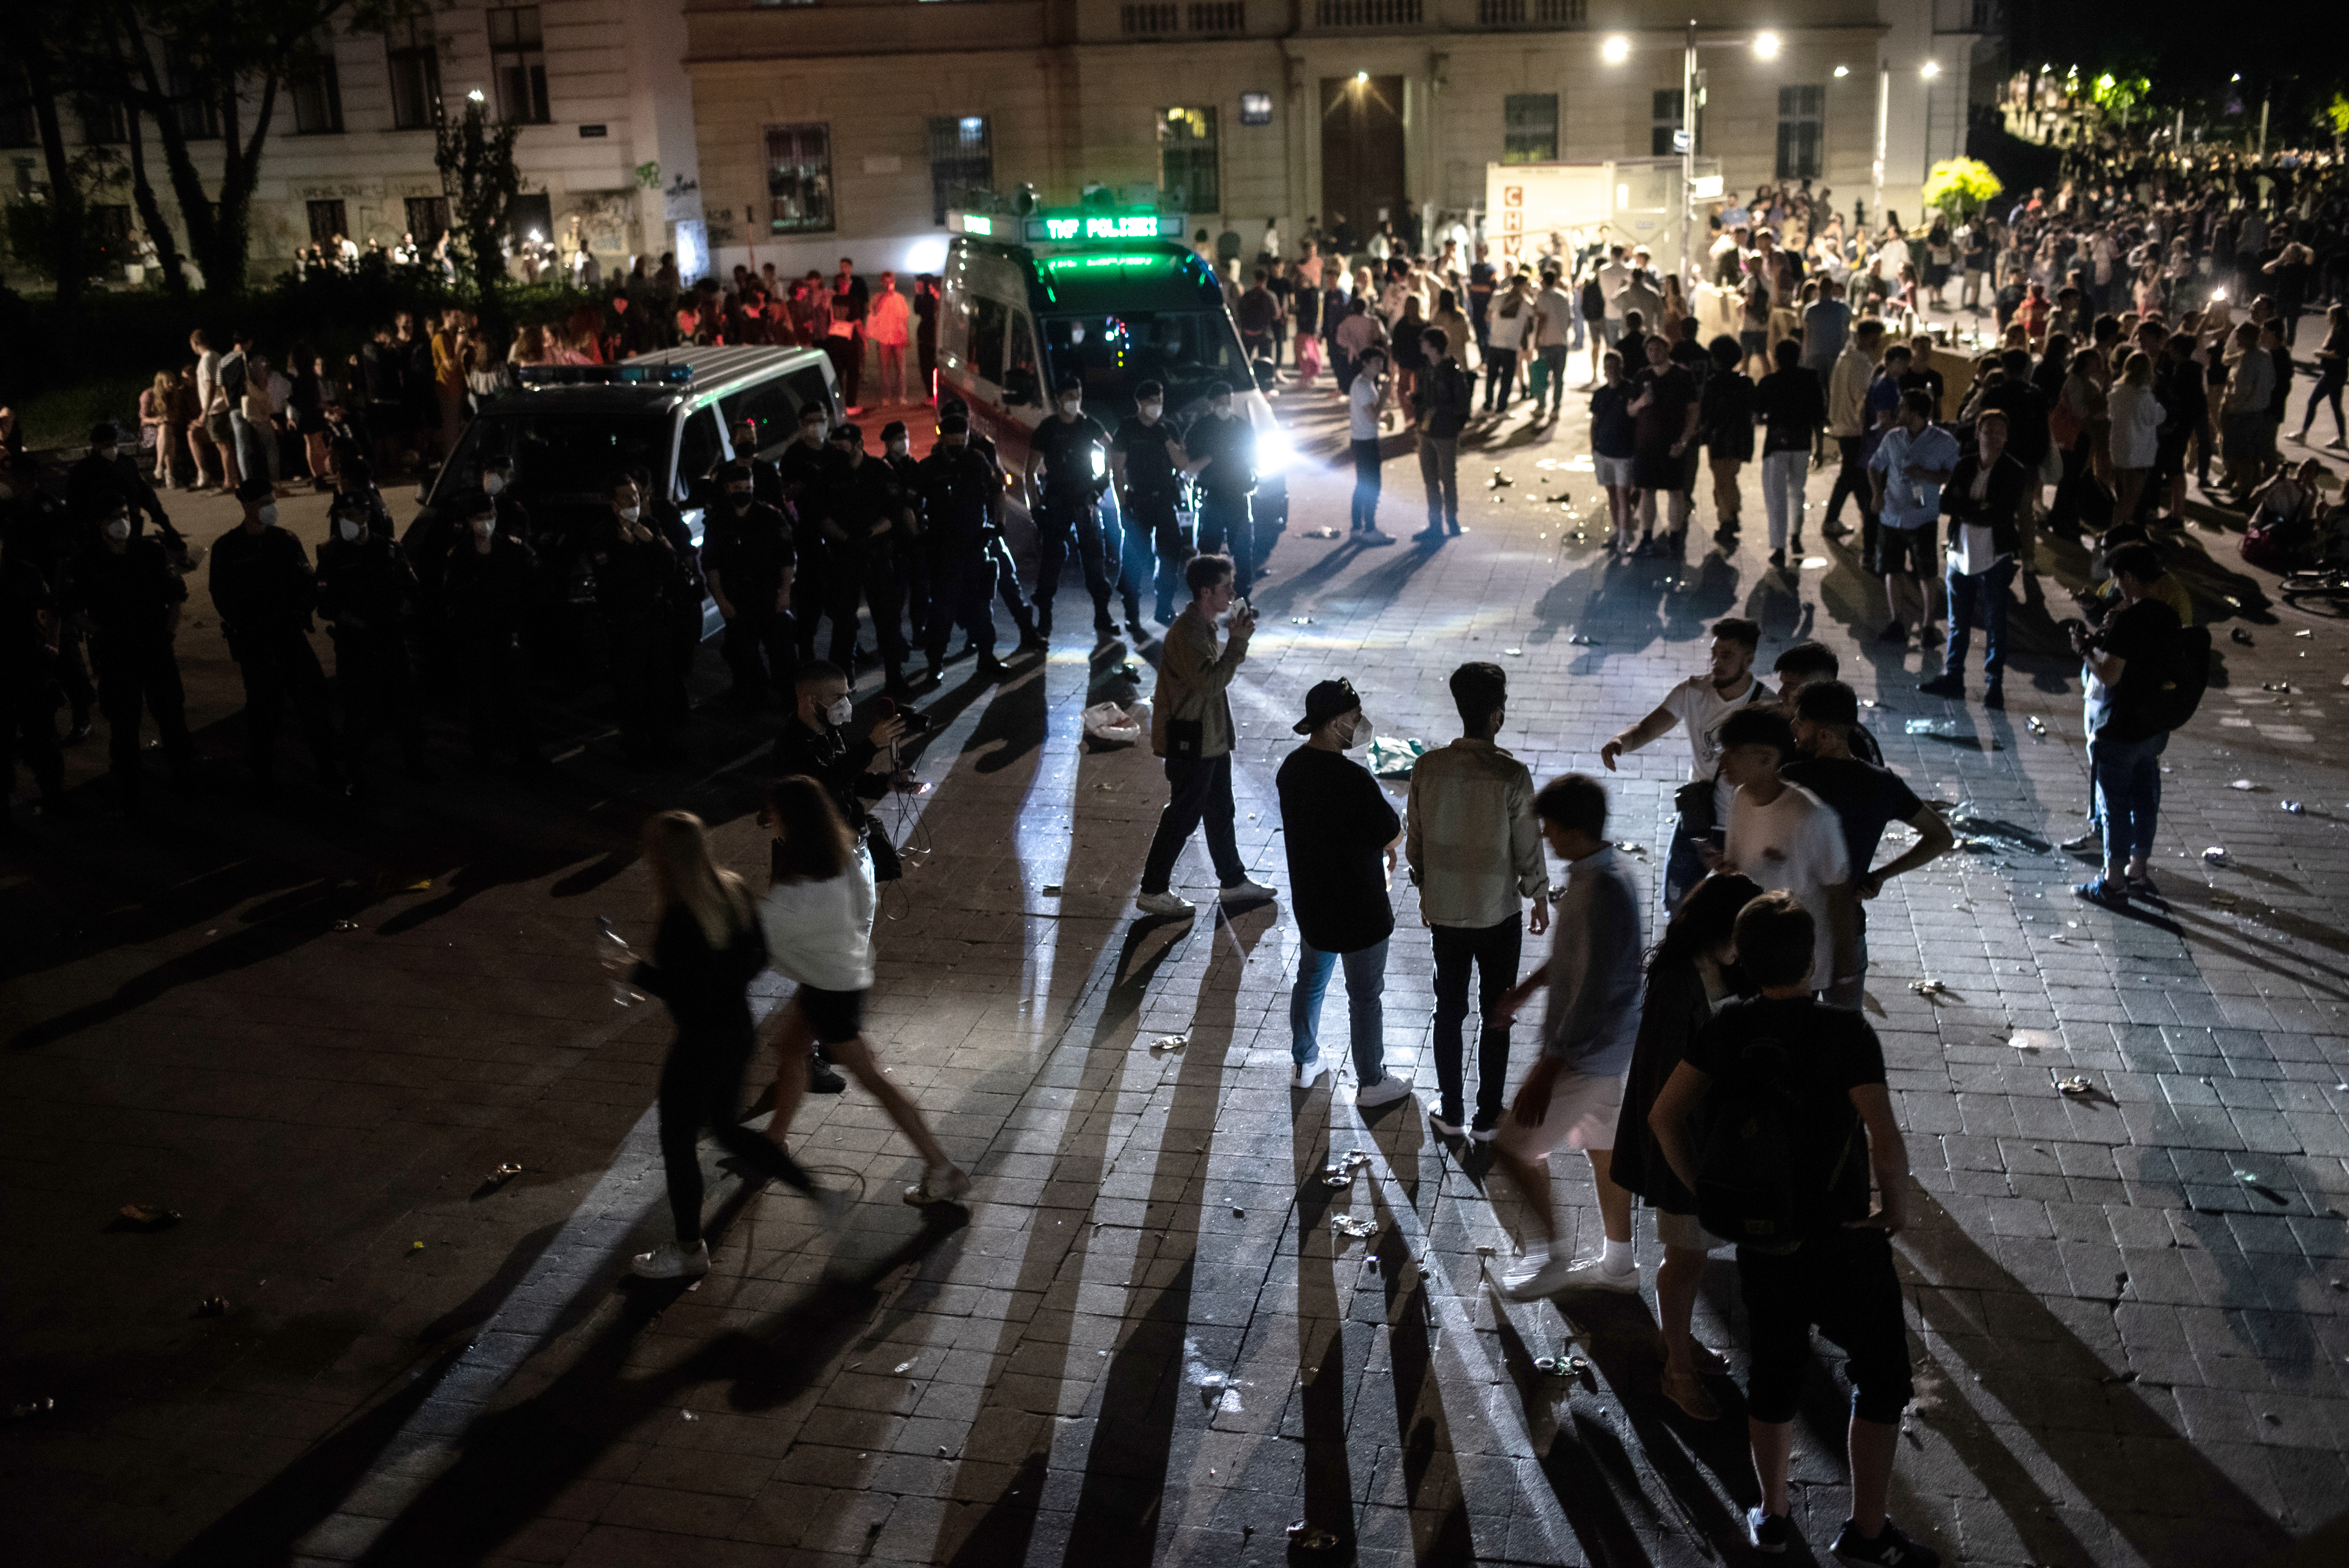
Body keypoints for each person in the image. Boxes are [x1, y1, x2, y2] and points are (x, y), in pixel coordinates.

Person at [1648, 892, 1938, 1567]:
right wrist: (1892, 1208)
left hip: (1763, 1239)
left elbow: (1665, 1117)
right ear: (1812, 958)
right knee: (1881, 1377)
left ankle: (1772, 1517)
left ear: (1744, 961)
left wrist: (1704, 1191)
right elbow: (1884, 1137)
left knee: (1773, 1376)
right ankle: (1868, 1532)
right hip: (1842, 1238)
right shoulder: (1846, 1033)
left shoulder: (1727, 1026)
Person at [620, 811, 825, 1280]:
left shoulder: (678, 916)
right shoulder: (732, 889)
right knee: (727, 1127)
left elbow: (687, 991)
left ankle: (689, 1248)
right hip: (736, 1029)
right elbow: (756, 956)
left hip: (699, 1042)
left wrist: (635, 971)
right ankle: (812, 1187)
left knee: (677, 1141)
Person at [755, 776, 973, 1207]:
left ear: (792, 818)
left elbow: (764, 934)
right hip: (839, 977)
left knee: (874, 1078)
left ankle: (941, 1165)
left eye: (775, 814)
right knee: (790, 1048)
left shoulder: (802, 885)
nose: (770, 822)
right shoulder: (846, 856)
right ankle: (774, 1139)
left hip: (829, 989)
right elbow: (860, 911)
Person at [1602, 872, 1764, 1421]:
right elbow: (1667, 1093)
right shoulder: (1680, 983)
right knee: (1686, 1254)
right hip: (1685, 1145)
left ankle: (1676, 1344)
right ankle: (1677, 1370)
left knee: (1692, 1253)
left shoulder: (1727, 969)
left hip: (1716, 1141)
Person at [1488, 774, 1643, 1299]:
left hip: (1587, 1051)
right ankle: (1619, 1264)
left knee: (1513, 1145)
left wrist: (1545, 1069)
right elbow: (1576, 956)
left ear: (1574, 828)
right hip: (1610, 1047)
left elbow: (1593, 989)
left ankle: (1551, 1258)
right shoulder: (1601, 871)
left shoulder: (1602, 888)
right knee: (1603, 1148)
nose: (1545, 836)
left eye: (1550, 827)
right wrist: (1527, 989)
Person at [1405, 661, 1548, 1140]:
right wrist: (1539, 896)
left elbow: (1416, 841)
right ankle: (1489, 1114)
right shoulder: (1511, 774)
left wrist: (1425, 885)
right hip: (1497, 913)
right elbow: (1527, 845)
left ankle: (1450, 1108)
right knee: (1497, 1009)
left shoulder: (1428, 767)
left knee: (1449, 1008)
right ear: (1498, 715)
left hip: (1445, 911)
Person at [1278, 678, 1412, 1104]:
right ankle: (1371, 1081)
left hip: (1314, 903)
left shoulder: (1291, 770)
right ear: (1335, 722)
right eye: (1354, 718)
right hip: (1360, 908)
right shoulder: (1353, 779)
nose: (1361, 724)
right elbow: (1392, 834)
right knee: (1365, 995)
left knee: (1311, 980)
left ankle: (1304, 1061)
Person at [1784, 680, 1956, 1006]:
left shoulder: (1792, 779)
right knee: (1844, 1035)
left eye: (1801, 721)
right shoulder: (1883, 784)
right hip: (1847, 929)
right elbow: (1941, 837)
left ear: (1824, 734)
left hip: (1792, 925)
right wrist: (1880, 876)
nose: (1793, 727)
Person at [1137, 554, 1273, 916]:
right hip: (1191, 740)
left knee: (1219, 809)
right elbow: (1209, 683)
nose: (1234, 593)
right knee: (1183, 814)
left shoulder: (1205, 626)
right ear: (1206, 591)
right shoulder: (1188, 633)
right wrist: (1238, 644)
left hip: (1209, 739)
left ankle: (1233, 881)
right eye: (1227, 587)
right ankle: (1153, 889)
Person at [1600, 617, 1765, 911]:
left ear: (1749, 660)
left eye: (1726, 655)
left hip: (1743, 822)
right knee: (1678, 902)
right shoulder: (1692, 692)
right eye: (1714, 653)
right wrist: (1620, 743)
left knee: (1739, 912)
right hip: (1698, 815)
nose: (1716, 662)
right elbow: (1649, 727)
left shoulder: (1767, 707)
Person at [1713, 704, 1852, 1001]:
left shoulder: (1813, 817)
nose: (1722, 760)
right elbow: (1739, 866)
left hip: (1797, 967)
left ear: (1766, 757)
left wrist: (1845, 968)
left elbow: (1840, 895)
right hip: (1753, 955)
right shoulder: (1740, 798)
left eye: (1734, 752)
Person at [209, 477, 340, 790]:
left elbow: (307, 582)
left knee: (314, 702)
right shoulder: (227, 548)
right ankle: (260, 771)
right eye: (265, 504)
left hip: (290, 635)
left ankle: (329, 768)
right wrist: (248, 625)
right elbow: (221, 595)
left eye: (272, 503)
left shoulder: (285, 540)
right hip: (255, 642)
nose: (271, 509)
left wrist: (300, 611)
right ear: (247, 506)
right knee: (264, 709)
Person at [2072, 541, 2183, 908]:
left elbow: (2110, 674)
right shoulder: (2169, 617)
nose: (2116, 586)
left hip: (2120, 725)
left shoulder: (2131, 621)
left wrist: (2086, 650)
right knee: (2145, 799)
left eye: (2118, 579)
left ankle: (2113, 882)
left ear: (2131, 577)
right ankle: (2138, 872)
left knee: (2115, 806)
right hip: (2154, 726)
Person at [66, 502, 193, 803]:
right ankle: (130, 786)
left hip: (154, 646)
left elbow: (175, 594)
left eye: (125, 516)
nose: (122, 522)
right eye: (114, 517)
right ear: (100, 523)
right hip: (117, 652)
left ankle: (185, 778)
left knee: (171, 714)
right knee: (124, 722)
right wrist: (101, 634)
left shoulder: (150, 552)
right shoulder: (87, 561)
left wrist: (169, 632)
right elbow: (71, 609)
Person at [1916, 408, 2029, 708]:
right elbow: (1945, 503)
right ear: (1978, 433)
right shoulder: (1966, 466)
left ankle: (1994, 685)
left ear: (2006, 438)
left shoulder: (2014, 471)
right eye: (1987, 429)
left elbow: (2003, 513)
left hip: (1995, 557)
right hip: (1959, 553)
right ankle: (1954, 678)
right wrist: (1978, 509)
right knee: (1958, 622)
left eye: (1999, 431)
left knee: (1996, 623)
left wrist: (1969, 509)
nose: (1992, 436)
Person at [314, 492, 425, 789]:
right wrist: (361, 625)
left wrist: (401, 613)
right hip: (356, 645)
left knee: (406, 706)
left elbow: (411, 589)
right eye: (340, 516)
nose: (344, 522)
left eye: (350, 515)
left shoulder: (389, 549)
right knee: (357, 713)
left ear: (366, 516)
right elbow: (326, 606)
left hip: (391, 640)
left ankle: (416, 764)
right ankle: (355, 773)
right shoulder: (330, 555)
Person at [440, 486, 540, 770]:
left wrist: (519, 621)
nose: (486, 522)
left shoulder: (512, 548)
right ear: (470, 521)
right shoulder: (459, 556)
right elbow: (451, 597)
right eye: (480, 518)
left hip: (506, 635)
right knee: (480, 700)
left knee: (518, 697)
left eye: (490, 516)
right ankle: (484, 755)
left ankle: (528, 753)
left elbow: (533, 585)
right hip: (475, 639)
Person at [773, 660, 907, 866]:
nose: (846, 704)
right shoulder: (791, 745)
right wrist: (871, 746)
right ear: (811, 701)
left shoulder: (832, 731)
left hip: (855, 845)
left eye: (847, 695)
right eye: (838, 697)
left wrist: (886, 783)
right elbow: (823, 788)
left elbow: (848, 780)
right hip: (824, 856)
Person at [1025, 374, 1120, 643]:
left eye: (1077, 397)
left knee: (1095, 559)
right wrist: (1036, 509)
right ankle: (1044, 619)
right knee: (1051, 561)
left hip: (1085, 500)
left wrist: (1102, 483)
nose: (1074, 402)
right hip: (1057, 501)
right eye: (1069, 397)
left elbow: (1110, 447)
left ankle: (1102, 615)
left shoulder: (1088, 425)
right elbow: (1029, 472)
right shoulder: (1048, 428)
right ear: (1059, 399)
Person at [916, 412, 1011, 680]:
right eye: (954, 435)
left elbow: (998, 491)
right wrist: (917, 535)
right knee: (943, 610)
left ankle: (987, 656)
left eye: (964, 435)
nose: (960, 439)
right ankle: (935, 664)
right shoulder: (930, 467)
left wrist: (999, 523)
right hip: (944, 551)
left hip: (974, 547)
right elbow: (910, 505)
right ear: (943, 436)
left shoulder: (977, 461)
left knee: (981, 605)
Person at [1868, 388, 1959, 646]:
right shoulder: (1893, 438)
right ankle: (1897, 622)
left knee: (1927, 573)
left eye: (1903, 408)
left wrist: (1926, 475)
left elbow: (1955, 474)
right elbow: (1875, 466)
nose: (1898, 412)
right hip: (1891, 516)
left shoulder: (1944, 442)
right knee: (1892, 569)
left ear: (1916, 413)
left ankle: (1929, 626)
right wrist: (1877, 494)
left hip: (1923, 516)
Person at [702, 461, 797, 705]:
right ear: (728, 488)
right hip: (737, 598)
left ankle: (788, 697)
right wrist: (721, 601)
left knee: (782, 652)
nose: (743, 491)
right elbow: (711, 566)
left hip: (769, 594)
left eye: (747, 486)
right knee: (742, 654)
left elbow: (787, 557)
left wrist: (785, 592)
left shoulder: (770, 516)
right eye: (737, 487)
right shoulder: (717, 522)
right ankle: (754, 695)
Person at [1109, 380, 1190, 626]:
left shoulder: (1168, 429)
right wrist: (1123, 508)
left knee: (1170, 557)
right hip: (1139, 503)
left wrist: (1165, 438)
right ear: (1140, 403)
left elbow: (1182, 464)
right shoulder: (1126, 430)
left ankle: (1164, 607)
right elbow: (1118, 472)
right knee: (1134, 560)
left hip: (1165, 502)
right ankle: (1132, 614)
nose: (1157, 406)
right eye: (1152, 401)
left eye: (1160, 401)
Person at [1179, 384, 1262, 588]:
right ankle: (1206, 605)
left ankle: (1242, 604)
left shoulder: (1243, 427)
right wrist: (1213, 457)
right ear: (1211, 404)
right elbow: (1187, 467)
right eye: (1221, 402)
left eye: (1229, 402)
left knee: (1243, 554)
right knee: (1208, 558)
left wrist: (1254, 476)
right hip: (1212, 498)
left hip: (1239, 497)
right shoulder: (1199, 430)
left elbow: (1256, 461)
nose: (1225, 407)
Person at [1752, 338, 1826, 566]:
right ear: (1799, 356)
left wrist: (1767, 418)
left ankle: (1779, 547)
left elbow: (1757, 416)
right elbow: (1818, 417)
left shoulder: (1769, 382)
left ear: (1775, 358)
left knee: (1776, 497)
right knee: (1797, 490)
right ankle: (1796, 534)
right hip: (1803, 444)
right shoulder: (1811, 380)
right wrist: (1820, 448)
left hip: (1777, 445)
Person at [1626, 335, 1699, 555]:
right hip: (1646, 445)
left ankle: (1675, 537)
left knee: (1675, 492)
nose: (1653, 353)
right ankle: (1647, 537)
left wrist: (1685, 441)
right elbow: (1630, 410)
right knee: (1647, 491)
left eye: (1658, 349)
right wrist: (1641, 403)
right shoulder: (1641, 377)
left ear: (1667, 350)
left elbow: (1694, 411)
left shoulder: (1683, 375)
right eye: (1649, 350)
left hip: (1673, 444)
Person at [1823, 318, 1886, 545]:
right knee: (1851, 476)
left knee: (1855, 477)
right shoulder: (1860, 364)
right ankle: (1835, 521)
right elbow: (1864, 401)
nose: (1879, 343)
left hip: (1843, 426)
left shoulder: (1845, 358)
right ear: (1870, 337)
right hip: (1855, 430)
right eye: (1877, 338)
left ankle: (1868, 520)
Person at [1770, 641, 1881, 763]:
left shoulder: (1856, 742)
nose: (1781, 693)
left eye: (1791, 686)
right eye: (1782, 684)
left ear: (1822, 686)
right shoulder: (1774, 723)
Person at [1412, 327, 1471, 540]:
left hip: (1445, 432)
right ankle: (1435, 524)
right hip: (1427, 431)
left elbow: (1463, 406)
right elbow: (1423, 397)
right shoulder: (1427, 370)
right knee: (1430, 479)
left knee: (1447, 477)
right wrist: (1418, 405)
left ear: (1433, 346)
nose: (1421, 345)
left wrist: (1439, 410)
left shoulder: (1452, 373)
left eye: (1424, 342)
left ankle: (1452, 520)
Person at [1699, 335, 1755, 540]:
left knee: (1722, 480)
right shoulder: (1746, 383)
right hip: (1740, 438)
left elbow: (1706, 414)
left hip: (1720, 439)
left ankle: (1727, 519)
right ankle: (1732, 513)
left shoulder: (1713, 384)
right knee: (1729, 477)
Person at [1345, 347, 1394, 543]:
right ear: (1365, 363)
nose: (1380, 366)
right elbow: (1372, 416)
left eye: (1382, 363)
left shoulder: (1365, 383)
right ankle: (1370, 530)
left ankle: (1358, 528)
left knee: (1362, 485)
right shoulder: (1363, 386)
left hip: (1362, 439)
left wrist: (1383, 418)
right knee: (1372, 485)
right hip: (1365, 443)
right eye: (1376, 362)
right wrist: (1384, 396)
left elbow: (1371, 415)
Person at [1590, 351, 1638, 550]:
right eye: (1607, 365)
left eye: (1615, 365)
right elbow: (1595, 422)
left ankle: (1624, 535)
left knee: (1623, 494)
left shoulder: (1630, 390)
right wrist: (1593, 448)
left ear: (1621, 367)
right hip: (1604, 452)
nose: (1611, 369)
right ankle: (1618, 531)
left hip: (1625, 453)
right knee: (1612, 493)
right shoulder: (1600, 394)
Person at [866, 271, 912, 404]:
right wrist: (884, 297)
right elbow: (873, 312)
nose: (889, 284)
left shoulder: (901, 298)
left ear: (895, 281)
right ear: (882, 283)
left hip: (898, 337)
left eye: (891, 281)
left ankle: (902, 396)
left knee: (901, 369)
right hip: (884, 338)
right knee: (885, 369)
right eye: (886, 282)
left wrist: (907, 337)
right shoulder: (878, 297)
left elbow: (904, 319)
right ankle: (886, 397)